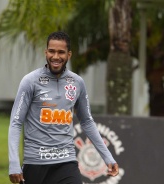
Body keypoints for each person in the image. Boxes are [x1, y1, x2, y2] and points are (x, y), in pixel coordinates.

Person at [8, 31, 119, 184]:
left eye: (61, 52)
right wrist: (13, 162)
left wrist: (107, 157)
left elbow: (86, 121)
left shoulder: (77, 82)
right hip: (35, 163)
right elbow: (16, 122)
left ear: (69, 54)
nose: (55, 57)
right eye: (52, 51)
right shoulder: (30, 81)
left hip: (66, 162)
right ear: (46, 52)